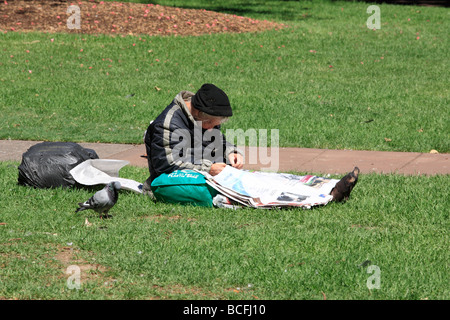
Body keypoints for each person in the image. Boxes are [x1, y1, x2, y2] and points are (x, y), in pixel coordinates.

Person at [143, 83, 244, 192]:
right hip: (172, 184)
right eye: (210, 123)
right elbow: (167, 166)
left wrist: (231, 152)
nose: (212, 128)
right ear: (198, 113)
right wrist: (208, 169)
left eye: (215, 125)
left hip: (204, 178)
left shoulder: (204, 119)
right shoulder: (167, 124)